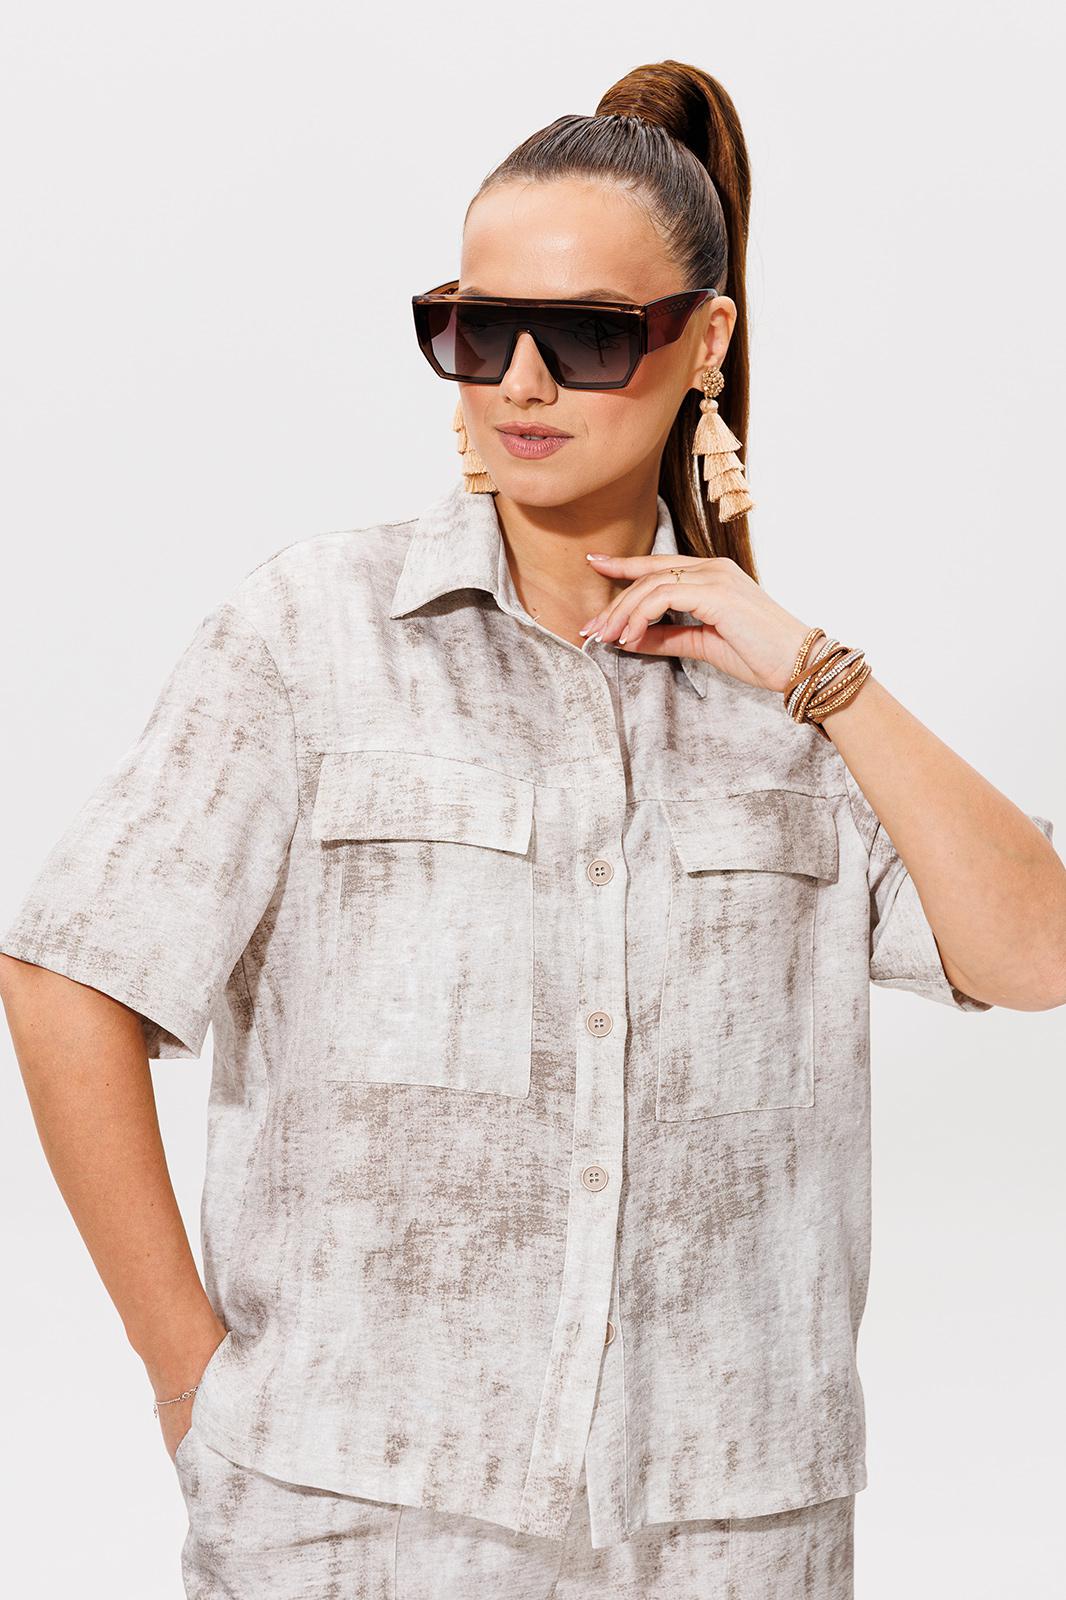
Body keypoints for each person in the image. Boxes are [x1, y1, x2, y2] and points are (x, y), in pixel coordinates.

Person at [1, 57, 1063, 1600]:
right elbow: (66, 977)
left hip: (730, 1540)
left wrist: (816, 674)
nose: (516, 383)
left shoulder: (789, 711)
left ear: (704, 344)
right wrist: (188, 1377)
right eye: (472, 328)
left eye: (583, 335)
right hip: (349, 1523)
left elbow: (1035, 954)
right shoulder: (310, 639)